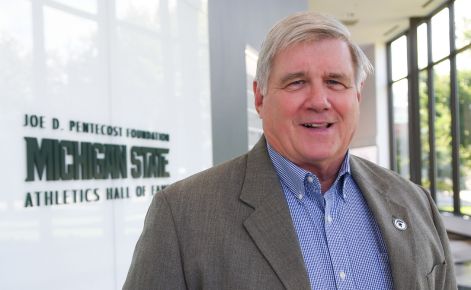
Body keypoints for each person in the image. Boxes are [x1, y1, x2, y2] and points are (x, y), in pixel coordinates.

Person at [123, 11, 456, 290]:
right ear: (260, 98)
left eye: (335, 82)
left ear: (357, 95)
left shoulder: (415, 204)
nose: (319, 101)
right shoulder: (184, 216)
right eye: (296, 82)